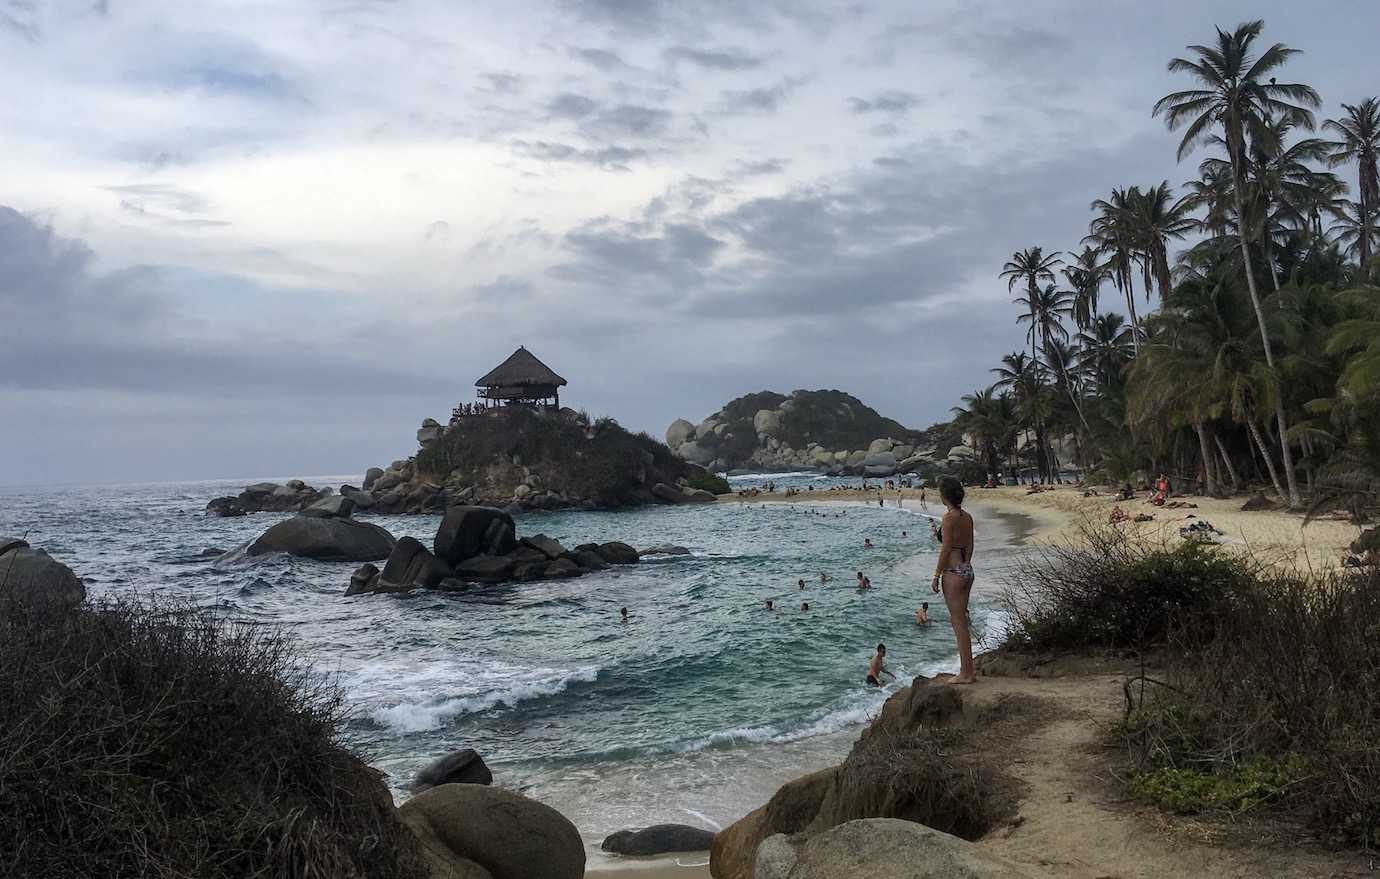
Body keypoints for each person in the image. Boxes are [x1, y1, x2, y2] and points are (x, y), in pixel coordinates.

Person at [932, 476, 977, 685]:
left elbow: (946, 548)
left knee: (958, 621)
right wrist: (965, 564)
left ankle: (966, 673)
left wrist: (936, 574)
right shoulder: (967, 517)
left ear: (944, 495)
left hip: (952, 571)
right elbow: (969, 544)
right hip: (966, 569)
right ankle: (968, 670)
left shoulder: (949, 518)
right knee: (963, 619)